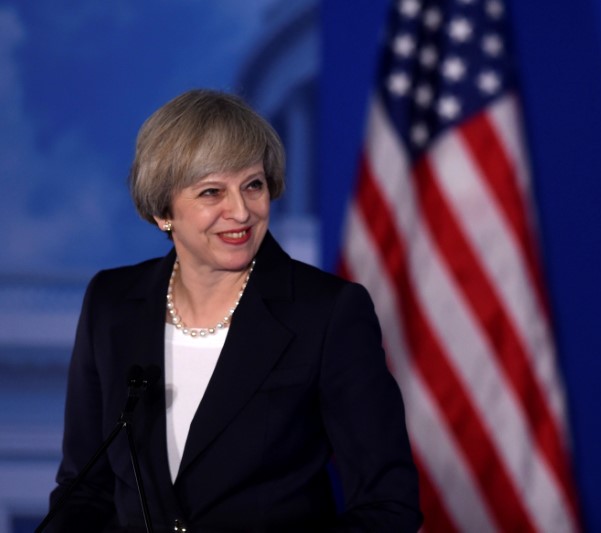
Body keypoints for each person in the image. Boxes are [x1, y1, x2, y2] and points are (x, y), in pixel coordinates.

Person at [45, 89, 422, 532]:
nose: (241, 211)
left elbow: (388, 506)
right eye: (212, 192)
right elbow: (85, 489)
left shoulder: (327, 313)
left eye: (253, 185)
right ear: (163, 210)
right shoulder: (110, 304)